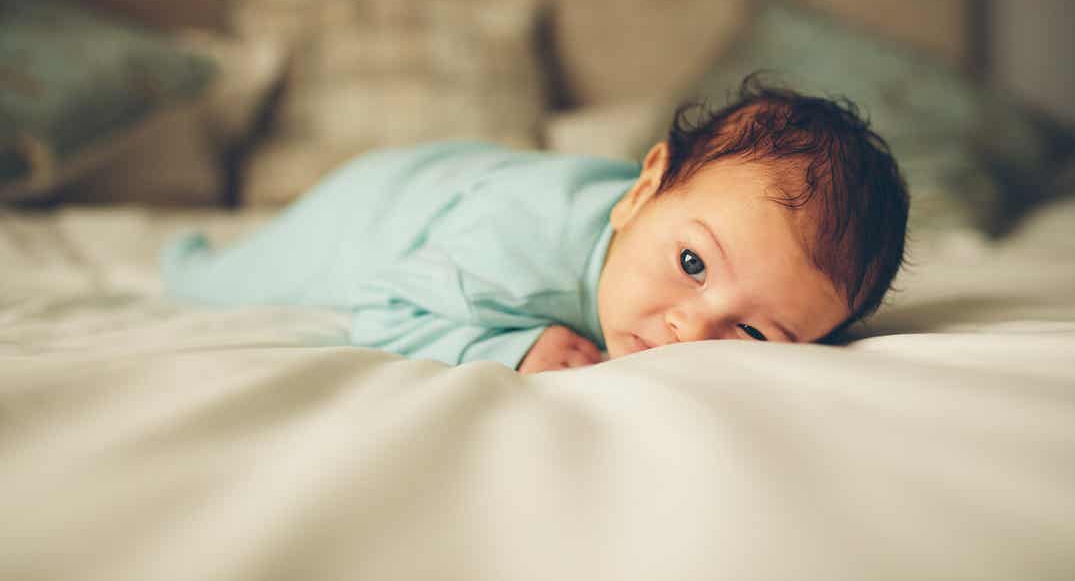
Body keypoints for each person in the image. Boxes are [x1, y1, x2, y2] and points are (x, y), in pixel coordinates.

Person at [162, 74, 909, 374]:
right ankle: (181, 252)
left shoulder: (687, 221)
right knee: (218, 280)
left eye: (754, 334)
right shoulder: (519, 251)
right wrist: (514, 347)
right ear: (642, 191)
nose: (691, 329)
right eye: (691, 265)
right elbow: (385, 306)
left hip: (465, 181)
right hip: (373, 207)